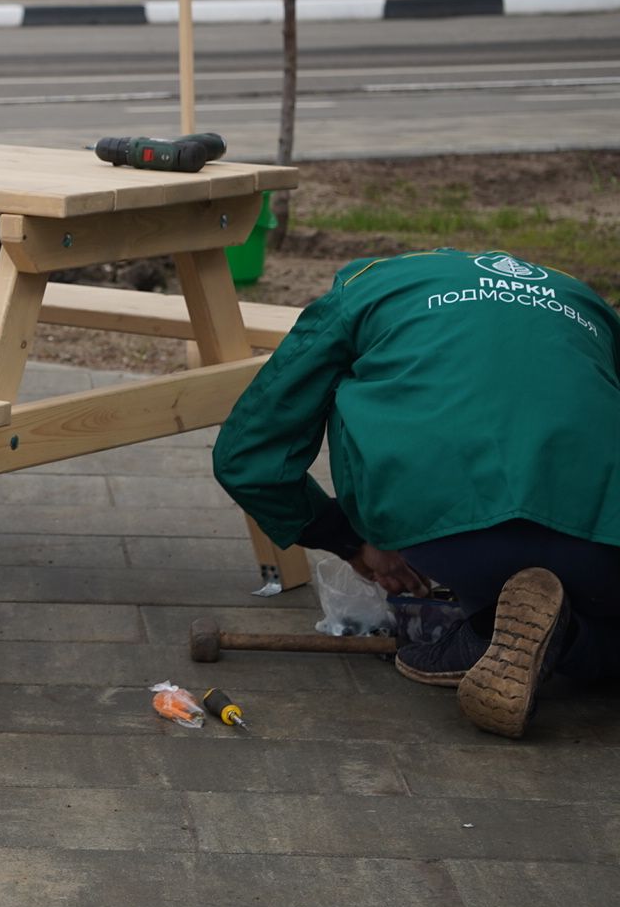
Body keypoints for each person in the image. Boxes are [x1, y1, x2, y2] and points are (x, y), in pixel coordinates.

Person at [212, 248, 620, 738]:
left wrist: (349, 537)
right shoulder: (584, 299)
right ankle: (565, 638)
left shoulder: (364, 287)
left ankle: (499, 632)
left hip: (449, 533)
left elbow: (247, 455)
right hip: (604, 543)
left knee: (350, 382)